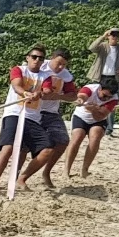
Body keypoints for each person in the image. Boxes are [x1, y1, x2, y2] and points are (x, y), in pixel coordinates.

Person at [0, 47, 54, 191]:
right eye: (34, 57)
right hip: (14, 113)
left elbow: (47, 90)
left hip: (32, 117)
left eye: (41, 58)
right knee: (8, 147)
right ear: (28, 57)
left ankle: (21, 178)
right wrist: (26, 92)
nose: (37, 60)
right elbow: (16, 86)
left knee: (47, 149)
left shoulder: (46, 76)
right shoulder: (19, 69)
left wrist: (39, 93)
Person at [32, 49, 78, 187]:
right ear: (52, 58)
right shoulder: (40, 66)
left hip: (51, 112)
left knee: (63, 141)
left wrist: (58, 96)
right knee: (25, 146)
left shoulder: (66, 76)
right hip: (32, 110)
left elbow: (73, 95)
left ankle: (46, 172)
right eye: (58, 63)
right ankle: (19, 175)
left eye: (64, 65)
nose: (60, 67)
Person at [63, 77, 119, 178]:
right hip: (81, 116)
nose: (106, 99)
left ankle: (84, 170)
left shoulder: (114, 99)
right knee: (76, 138)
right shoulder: (90, 88)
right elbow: (82, 95)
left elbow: (100, 116)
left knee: (95, 139)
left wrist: (93, 110)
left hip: (98, 119)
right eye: (104, 95)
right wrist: (81, 100)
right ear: (100, 88)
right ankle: (66, 170)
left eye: (108, 97)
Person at [89, 28, 119, 135]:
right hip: (100, 77)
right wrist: (102, 36)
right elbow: (91, 48)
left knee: (112, 103)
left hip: (114, 79)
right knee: (95, 100)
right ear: (109, 36)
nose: (114, 37)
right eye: (112, 35)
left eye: (116, 35)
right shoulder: (103, 46)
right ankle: (93, 123)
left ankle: (109, 128)